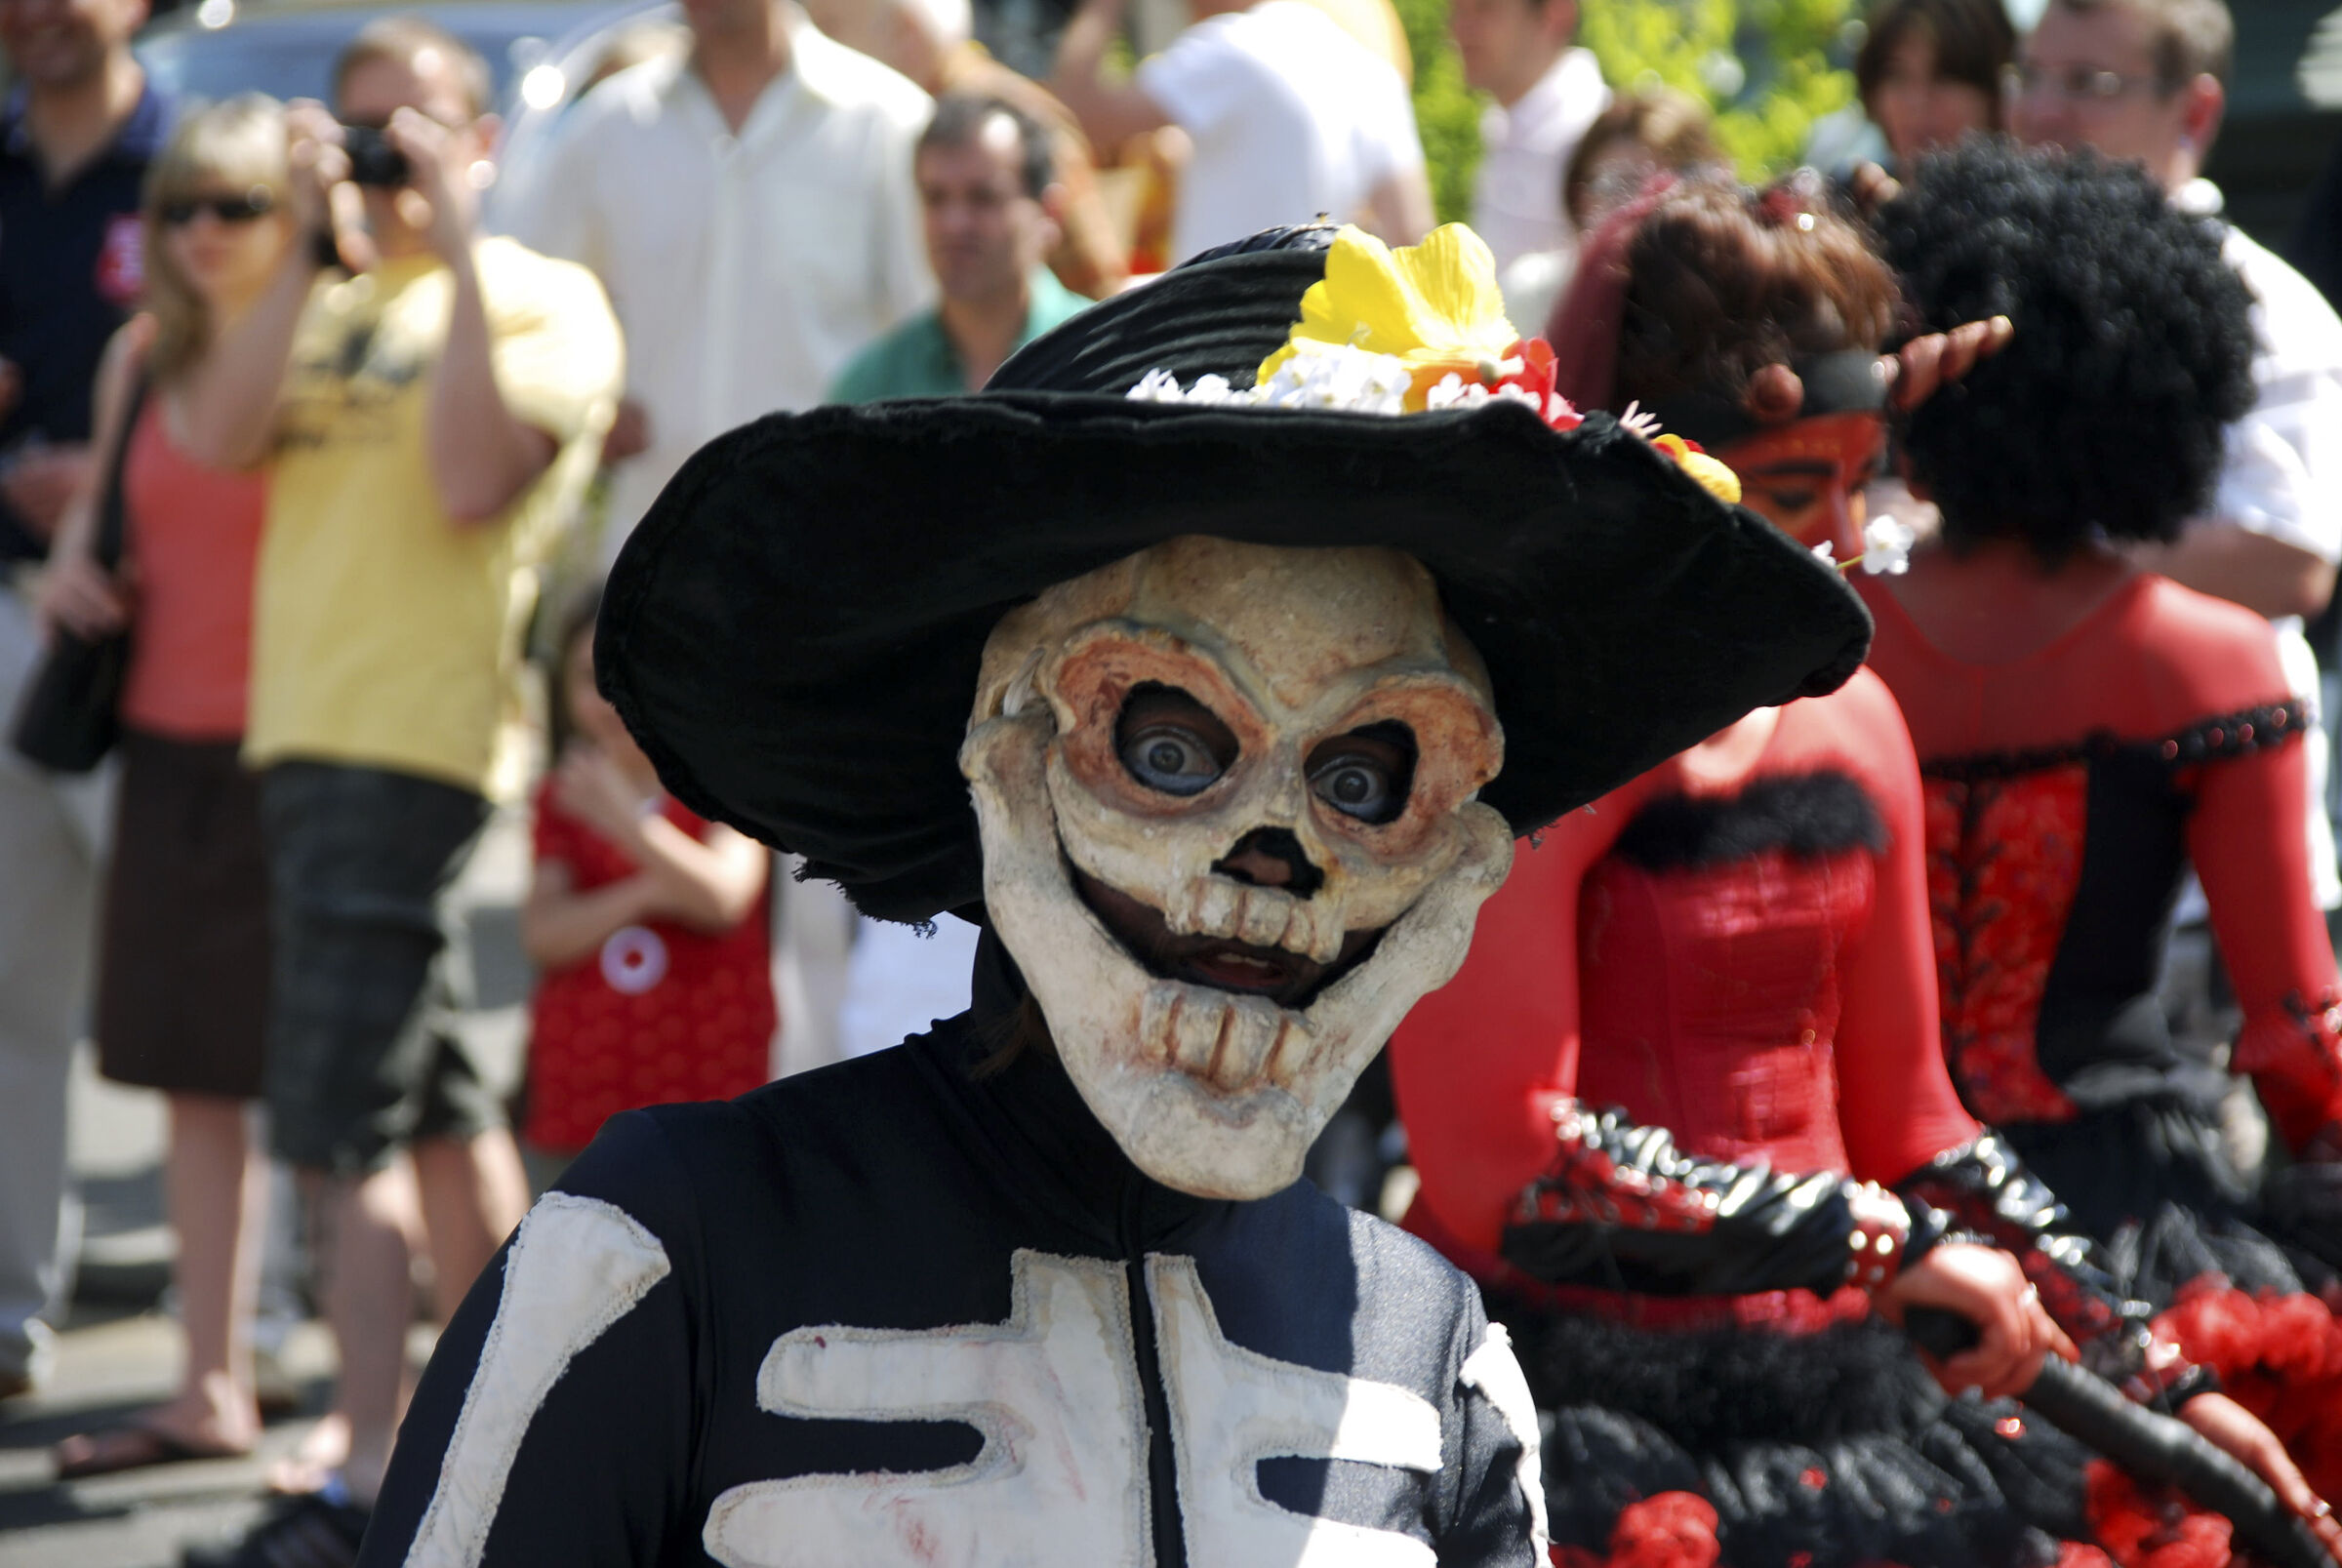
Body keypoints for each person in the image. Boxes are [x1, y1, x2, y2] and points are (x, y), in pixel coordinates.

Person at [351, 218, 1875, 1565]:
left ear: (1461, 847)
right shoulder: (663, 1254)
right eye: (1170, 739)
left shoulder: (1430, 1358)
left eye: (1365, 777)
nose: (1273, 860)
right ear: (1004, 761)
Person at [1390, 175, 2337, 1568]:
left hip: (1849, 1405)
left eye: (1860, 480)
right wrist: (1867, 1244)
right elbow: (1500, 1167)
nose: (1842, 540)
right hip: (1584, 1425)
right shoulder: (1538, 742)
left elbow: (1912, 1116)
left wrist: (2154, 1375)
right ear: (1649, 477)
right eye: (1791, 491)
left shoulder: (1854, 710)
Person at [166, 20, 623, 1563]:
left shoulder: (544, 297)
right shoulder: (328, 292)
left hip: (413, 744)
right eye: (353, 128)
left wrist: (468, 232)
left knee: (337, 1122)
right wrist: (305, 234)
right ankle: (538, 1413)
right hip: (303, 738)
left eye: (406, 127)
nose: (378, 152)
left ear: (482, 135)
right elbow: (213, 435)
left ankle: (374, 1467)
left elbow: (471, 480)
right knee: (427, 1105)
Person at [1869, 137, 2342, 1495]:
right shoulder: (2207, 657)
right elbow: (2295, 1029)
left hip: (1879, 1225)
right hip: (2133, 1223)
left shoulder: (1829, 637)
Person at [29, 94, 287, 1480]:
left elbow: (251, 444)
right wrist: (75, 568)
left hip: (293, 746)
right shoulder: (140, 353)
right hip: (164, 743)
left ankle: (329, 1348)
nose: (201, 233)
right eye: (179, 206)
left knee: (304, 1078)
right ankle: (211, 1374)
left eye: (237, 207)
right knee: (188, 1079)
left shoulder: (311, 350)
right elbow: (92, 531)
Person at [2012, 0, 2342, 928]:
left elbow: (2288, 558)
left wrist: (2031, 555)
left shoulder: (2271, 308)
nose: (2041, 112)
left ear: (2193, 112)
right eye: (2030, 76)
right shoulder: (1978, 287)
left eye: (2089, 85)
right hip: (2010, 871)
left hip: (2203, 892)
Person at [507, 0, 933, 570]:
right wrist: (591, 404)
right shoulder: (609, 126)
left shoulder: (887, 121)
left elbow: (933, 332)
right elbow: (529, 300)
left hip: (833, 548)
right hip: (652, 548)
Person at [0, 0, 166, 1406]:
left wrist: (110, 482)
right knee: (9, 990)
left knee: (200, 983)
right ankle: (8, 1312)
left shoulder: (200, 170)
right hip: (11, 612)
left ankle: (268, 1315)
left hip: (163, 631)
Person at [519, 583, 773, 1166]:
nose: (608, 700)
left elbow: (723, 896)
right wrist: (653, 891)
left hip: (709, 1100)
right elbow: (544, 934)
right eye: (589, 680)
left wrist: (623, 824)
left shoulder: (721, 779)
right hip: (585, 1105)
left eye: (626, 675)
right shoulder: (560, 798)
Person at [1051, 0, 1432, 264]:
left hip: (1216, 333)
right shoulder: (1375, 75)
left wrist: (1103, 7)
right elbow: (1412, 237)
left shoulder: (1232, 48)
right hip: (1322, 345)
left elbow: (1077, 110)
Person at [795, 0, 1129, 298]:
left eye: (830, 28)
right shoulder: (888, 123)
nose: (823, 51)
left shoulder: (1009, 122)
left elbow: (1095, 284)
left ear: (905, 32)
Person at [830, 95, 1093, 400]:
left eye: (983, 197)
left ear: (1049, 214)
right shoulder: (870, 388)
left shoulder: (1105, 357)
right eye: (935, 198)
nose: (954, 224)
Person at [1498, 88, 1720, 339]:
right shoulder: (1529, 296)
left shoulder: (1718, 314)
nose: (1639, 208)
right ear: (1580, 197)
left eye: (1666, 193)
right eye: (1619, 186)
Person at [1449, 0, 1607, 279]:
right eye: (1457, 9)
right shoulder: (1504, 118)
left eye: (1484, 9)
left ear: (1555, 14)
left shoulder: (1593, 137)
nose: (1459, 29)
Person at [1856, 0, 2014, 171]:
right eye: (1896, 75)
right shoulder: (1853, 189)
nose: (1916, 102)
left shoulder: (2030, 194)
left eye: (1944, 76)